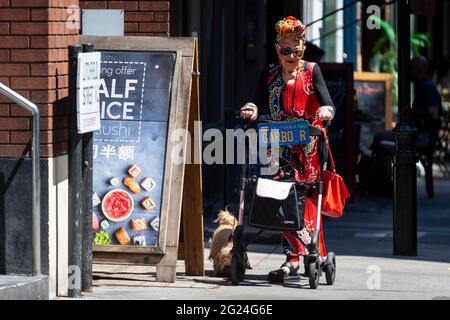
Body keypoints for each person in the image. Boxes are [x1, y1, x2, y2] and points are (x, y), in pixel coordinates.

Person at [240, 16, 335, 282]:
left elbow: (327, 101)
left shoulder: (312, 70)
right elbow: (257, 102)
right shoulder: (269, 73)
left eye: (297, 50)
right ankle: (292, 259)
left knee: (303, 199)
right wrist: (252, 109)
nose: (291, 56)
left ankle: (308, 253)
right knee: (279, 198)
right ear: (277, 49)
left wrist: (325, 110)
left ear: (303, 49)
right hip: (275, 146)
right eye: (286, 50)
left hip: (306, 146)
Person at [410, 56, 443, 198]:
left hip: (424, 137)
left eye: (411, 68)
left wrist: (412, 111)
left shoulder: (426, 87)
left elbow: (434, 114)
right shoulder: (424, 85)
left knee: (383, 139)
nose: (409, 72)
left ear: (418, 70)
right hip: (424, 134)